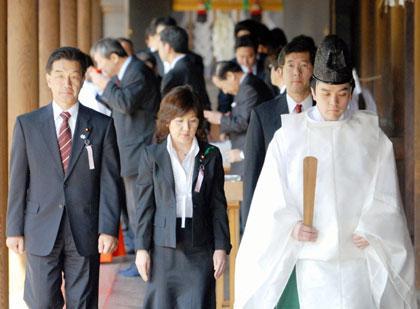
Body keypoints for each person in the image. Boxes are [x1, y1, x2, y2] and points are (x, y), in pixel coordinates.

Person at [235, 35, 416, 308]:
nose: (334, 103)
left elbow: (386, 194)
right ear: (313, 90)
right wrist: (291, 225)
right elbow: (269, 199)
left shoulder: (371, 137)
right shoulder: (289, 137)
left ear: (351, 91)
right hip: (309, 257)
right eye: (326, 94)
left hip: (356, 257)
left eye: (342, 94)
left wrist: (373, 226)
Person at [6, 47, 123, 308]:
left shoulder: (102, 125)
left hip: (85, 228)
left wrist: (108, 227)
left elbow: (110, 181)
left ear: (83, 79)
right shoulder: (28, 124)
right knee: (42, 301)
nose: (66, 83)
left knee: (82, 301)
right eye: (59, 76)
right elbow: (18, 181)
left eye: (73, 76)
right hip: (39, 227)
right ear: (48, 79)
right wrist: (14, 228)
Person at [135, 85, 231, 309]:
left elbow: (217, 205)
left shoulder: (210, 155)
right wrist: (141, 249)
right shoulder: (152, 155)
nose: (186, 128)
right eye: (179, 121)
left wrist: (221, 247)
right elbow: (144, 206)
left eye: (192, 121)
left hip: (200, 246)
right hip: (163, 247)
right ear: (167, 121)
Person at [89, 38, 161, 276]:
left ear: (113, 57)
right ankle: (140, 258)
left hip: (139, 151)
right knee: (132, 209)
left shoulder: (137, 71)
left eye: (100, 63)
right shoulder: (128, 72)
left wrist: (103, 83)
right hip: (129, 150)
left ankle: (146, 260)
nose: (100, 69)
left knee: (139, 207)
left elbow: (126, 103)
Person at [242, 35, 316, 229]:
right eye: (290, 66)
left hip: (318, 216)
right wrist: (249, 228)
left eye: (303, 66)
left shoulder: (325, 112)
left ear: (314, 70)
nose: (296, 73)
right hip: (275, 219)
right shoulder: (262, 115)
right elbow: (252, 174)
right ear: (281, 71)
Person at [205, 61, 273, 176]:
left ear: (231, 76)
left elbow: (243, 122)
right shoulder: (245, 86)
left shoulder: (248, 88)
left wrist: (220, 119)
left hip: (247, 155)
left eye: (222, 86)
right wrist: (226, 128)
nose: (225, 91)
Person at [159, 25, 211, 110]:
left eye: (160, 46)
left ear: (167, 47)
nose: (159, 51)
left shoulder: (174, 74)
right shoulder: (193, 64)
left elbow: (168, 109)